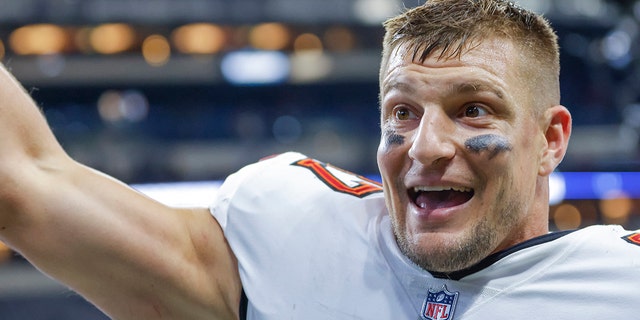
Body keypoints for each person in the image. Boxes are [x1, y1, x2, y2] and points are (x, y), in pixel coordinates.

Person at [0, 0, 638, 319]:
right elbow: (24, 184)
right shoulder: (295, 233)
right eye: (402, 113)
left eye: (473, 109)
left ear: (550, 140)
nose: (424, 146)